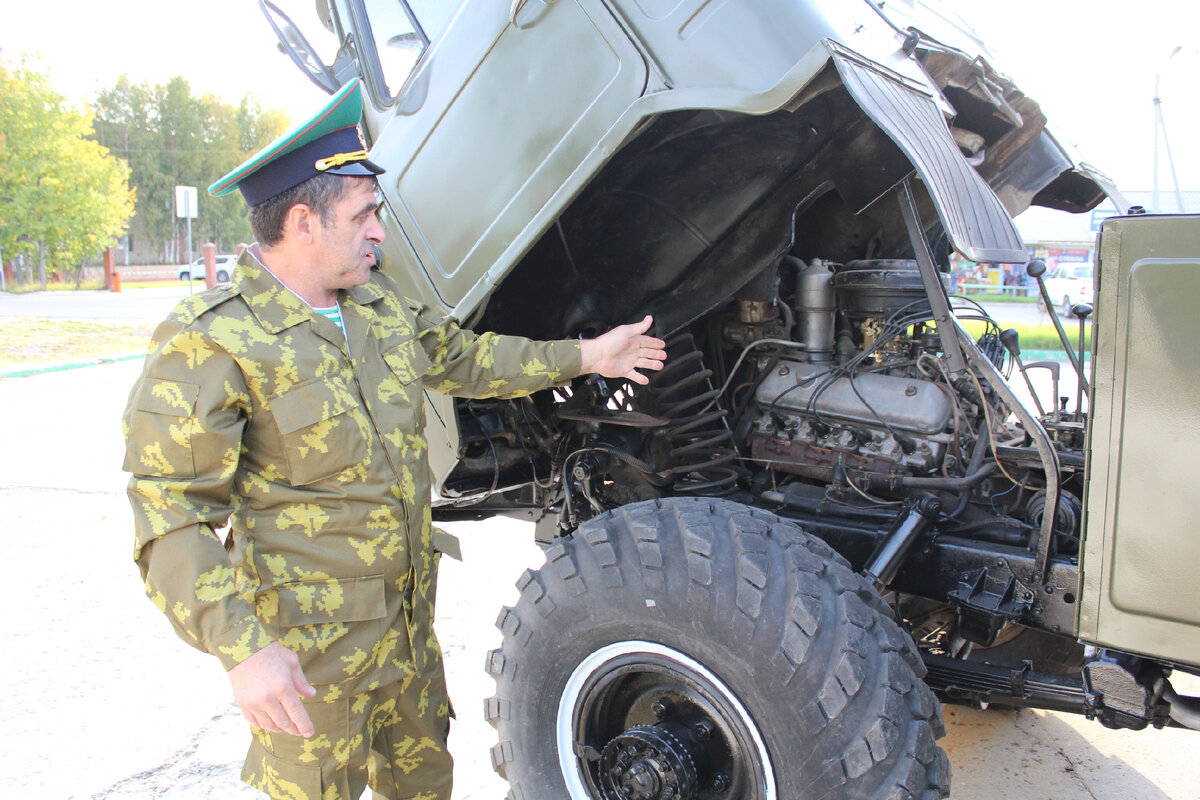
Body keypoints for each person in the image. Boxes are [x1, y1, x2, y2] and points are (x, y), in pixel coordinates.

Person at [122, 80, 666, 800]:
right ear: (302, 224)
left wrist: (589, 356)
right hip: (309, 664)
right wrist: (244, 651)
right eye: (364, 216)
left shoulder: (377, 308)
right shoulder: (212, 340)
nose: (379, 232)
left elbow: (471, 362)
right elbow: (171, 516)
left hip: (407, 641)